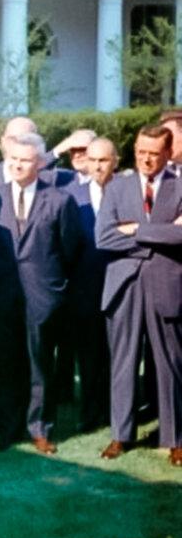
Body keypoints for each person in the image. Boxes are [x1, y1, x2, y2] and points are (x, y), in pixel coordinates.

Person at [0, 132, 82, 453]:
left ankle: (39, 428)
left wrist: (53, 286)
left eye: (25, 160)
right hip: (0, 298)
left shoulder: (60, 200)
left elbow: (69, 249)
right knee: (2, 364)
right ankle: (6, 427)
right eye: (13, 160)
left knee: (39, 364)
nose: (18, 165)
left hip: (42, 296)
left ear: (39, 163)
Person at [96, 125, 182, 466]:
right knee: (123, 363)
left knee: (171, 365)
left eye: (154, 153)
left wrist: (137, 230)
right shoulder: (116, 187)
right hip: (124, 287)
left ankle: (175, 438)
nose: (147, 159)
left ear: (167, 152)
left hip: (167, 286)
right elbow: (103, 237)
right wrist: (163, 234)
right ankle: (121, 434)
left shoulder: (179, 187)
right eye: (141, 152)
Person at [62, 137, 114, 432]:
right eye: (92, 160)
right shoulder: (70, 195)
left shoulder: (126, 191)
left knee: (118, 353)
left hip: (121, 285)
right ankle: (90, 411)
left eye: (103, 160)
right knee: (89, 354)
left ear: (114, 161)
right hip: (83, 288)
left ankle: (116, 410)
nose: (97, 165)